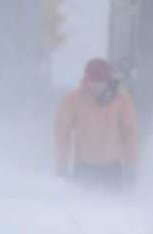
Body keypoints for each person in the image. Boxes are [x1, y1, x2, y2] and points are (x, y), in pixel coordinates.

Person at [54, 57, 139, 192]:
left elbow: (130, 134)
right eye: (92, 82)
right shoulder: (73, 99)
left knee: (113, 210)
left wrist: (131, 167)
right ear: (87, 80)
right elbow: (62, 132)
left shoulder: (121, 100)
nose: (96, 86)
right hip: (83, 168)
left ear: (107, 81)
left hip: (112, 170)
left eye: (100, 82)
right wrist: (62, 166)